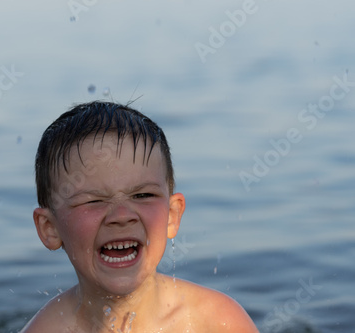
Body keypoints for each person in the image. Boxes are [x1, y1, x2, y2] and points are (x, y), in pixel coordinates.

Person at [22, 101, 259, 332]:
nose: (122, 215)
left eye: (143, 195)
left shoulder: (216, 322)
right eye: (94, 201)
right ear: (49, 228)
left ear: (171, 215)